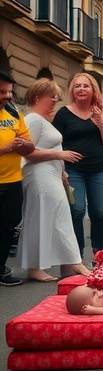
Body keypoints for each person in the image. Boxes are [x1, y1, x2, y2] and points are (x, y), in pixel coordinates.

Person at [19, 79, 88, 282]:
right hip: (40, 176)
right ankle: (39, 266)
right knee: (44, 218)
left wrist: (61, 170)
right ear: (38, 97)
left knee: (56, 217)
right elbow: (28, 153)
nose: (55, 101)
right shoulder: (33, 119)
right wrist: (60, 156)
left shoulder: (39, 120)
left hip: (49, 174)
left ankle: (69, 261)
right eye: (52, 97)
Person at [54, 73, 103, 259]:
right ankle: (77, 255)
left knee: (99, 212)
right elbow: (54, 142)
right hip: (73, 170)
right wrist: (61, 166)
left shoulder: (98, 112)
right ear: (72, 91)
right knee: (77, 210)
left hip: (98, 170)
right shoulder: (63, 113)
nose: (81, 89)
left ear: (93, 90)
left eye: (85, 86)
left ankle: (98, 253)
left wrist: (101, 124)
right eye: (77, 86)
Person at [0, 70, 34, 285]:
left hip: (13, 181)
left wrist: (25, 145)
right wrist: (6, 148)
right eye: (2, 92)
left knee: (8, 226)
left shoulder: (13, 113)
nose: (8, 96)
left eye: (9, 92)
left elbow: (28, 145)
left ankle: (1, 268)